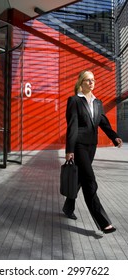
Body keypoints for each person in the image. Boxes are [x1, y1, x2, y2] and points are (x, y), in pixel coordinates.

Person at [63, 70, 123, 234]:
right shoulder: (74, 100)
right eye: (88, 80)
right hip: (79, 146)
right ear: (81, 82)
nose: (91, 83)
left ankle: (68, 207)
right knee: (90, 180)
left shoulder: (98, 102)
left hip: (92, 146)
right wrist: (69, 149)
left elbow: (103, 122)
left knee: (81, 178)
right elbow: (72, 126)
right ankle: (103, 222)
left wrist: (114, 137)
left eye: (93, 80)